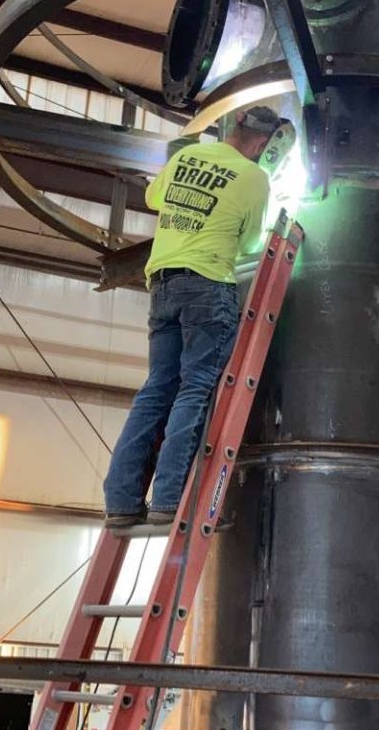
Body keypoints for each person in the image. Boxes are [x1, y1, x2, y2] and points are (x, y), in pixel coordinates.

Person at [103, 105, 285, 528]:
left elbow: (152, 197)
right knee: (196, 388)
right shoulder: (255, 178)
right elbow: (251, 244)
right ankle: (169, 499)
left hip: (162, 285)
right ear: (261, 144)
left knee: (155, 391)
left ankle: (121, 500)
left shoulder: (186, 158)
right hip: (207, 286)